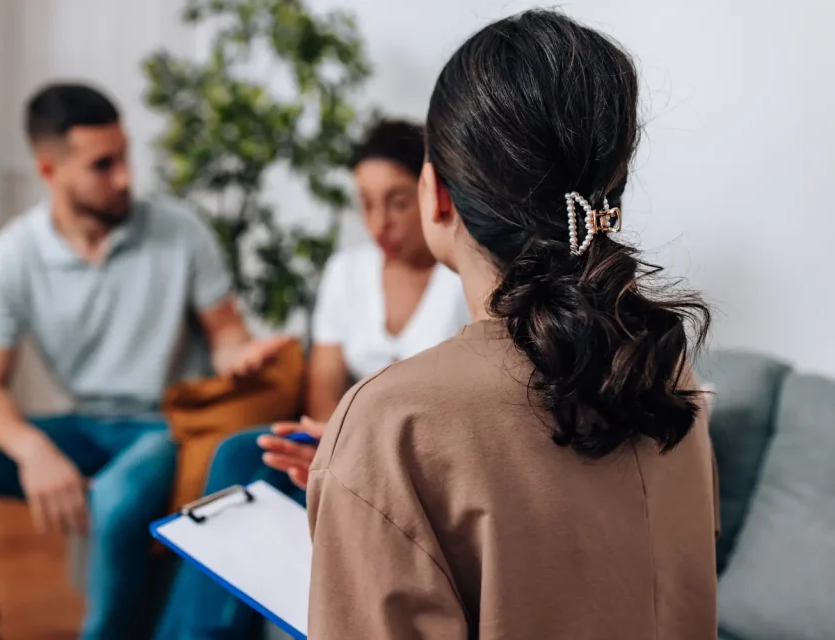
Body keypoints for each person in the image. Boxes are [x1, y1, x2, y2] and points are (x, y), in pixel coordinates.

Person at [263, 10, 719, 639]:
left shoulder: (392, 426)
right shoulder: (666, 373)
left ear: (437, 194)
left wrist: (367, 472)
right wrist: (369, 486)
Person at [0, 83, 289, 640]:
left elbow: (226, 332)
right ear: (49, 170)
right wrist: (33, 450)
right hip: (85, 423)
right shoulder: (10, 259)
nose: (125, 178)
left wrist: (241, 354)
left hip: (166, 425)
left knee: (116, 497)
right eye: (102, 165)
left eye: (124, 156)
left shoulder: (180, 232)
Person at [155, 119, 471, 639]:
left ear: (431, 192)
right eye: (365, 203)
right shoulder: (348, 272)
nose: (379, 223)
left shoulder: (460, 277)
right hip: (343, 442)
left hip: (411, 457)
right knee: (247, 450)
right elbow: (323, 386)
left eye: (395, 201)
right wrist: (331, 453)